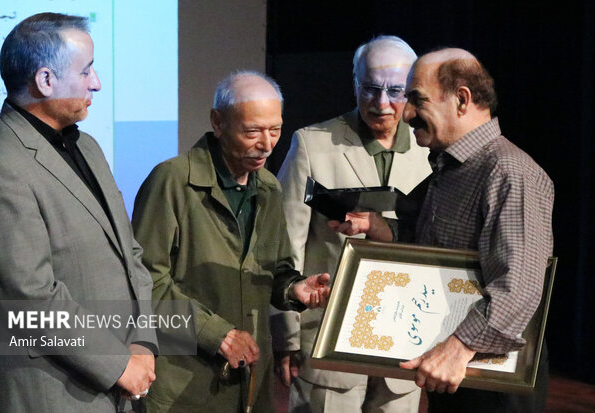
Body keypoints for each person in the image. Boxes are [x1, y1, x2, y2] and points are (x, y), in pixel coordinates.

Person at [0, 13, 158, 412]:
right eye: (86, 70)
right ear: (45, 81)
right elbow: (31, 297)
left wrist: (143, 342)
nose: (97, 83)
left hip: (123, 384)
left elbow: (132, 256)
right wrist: (117, 364)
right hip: (55, 394)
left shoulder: (88, 146)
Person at [131, 71, 331, 413]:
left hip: (248, 382)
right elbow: (145, 284)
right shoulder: (172, 181)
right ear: (218, 122)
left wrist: (294, 289)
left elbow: (273, 269)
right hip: (183, 386)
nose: (267, 144)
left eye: (275, 130)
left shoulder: (268, 187)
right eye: (252, 131)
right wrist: (218, 335)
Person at [272, 35, 431, 413]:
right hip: (328, 340)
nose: (381, 103)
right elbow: (285, 245)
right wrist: (286, 336)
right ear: (354, 83)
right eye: (370, 88)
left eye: (395, 90)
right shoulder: (312, 144)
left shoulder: (432, 150)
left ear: (411, 90)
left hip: (406, 342)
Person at [394, 48, 553, 412]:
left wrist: (459, 347)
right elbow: (445, 246)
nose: (406, 114)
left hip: (493, 380)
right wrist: (383, 231)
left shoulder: (509, 172)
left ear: (461, 99)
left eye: (417, 99)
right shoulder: (452, 168)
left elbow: (520, 285)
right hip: (457, 372)